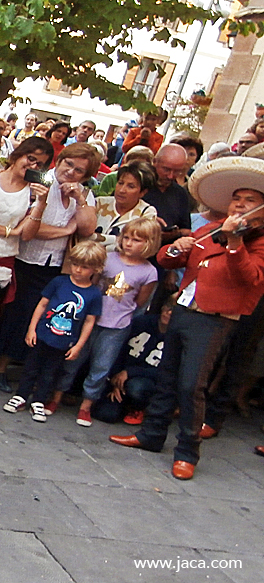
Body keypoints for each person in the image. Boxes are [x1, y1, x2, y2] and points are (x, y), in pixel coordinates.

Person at [110, 157, 264, 480]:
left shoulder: (257, 241)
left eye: (249, 200)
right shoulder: (210, 228)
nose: (240, 205)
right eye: (237, 198)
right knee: (167, 376)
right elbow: (167, 260)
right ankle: (152, 434)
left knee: (191, 383)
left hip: (215, 318)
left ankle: (187, 451)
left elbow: (250, 278)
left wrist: (235, 242)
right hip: (183, 308)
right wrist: (175, 248)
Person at [0, 137, 52, 393]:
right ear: (19, 154)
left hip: (5, 260)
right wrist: (8, 230)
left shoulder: (34, 192)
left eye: (39, 164)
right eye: (31, 158)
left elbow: (27, 234)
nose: (32, 165)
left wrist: (41, 203)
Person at [70, 218, 159, 426]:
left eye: (136, 240)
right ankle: (57, 394)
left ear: (149, 244)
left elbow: (140, 302)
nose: (128, 243)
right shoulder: (108, 258)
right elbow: (91, 284)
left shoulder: (149, 272)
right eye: (126, 237)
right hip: (90, 319)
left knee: (101, 366)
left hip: (117, 325)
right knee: (74, 357)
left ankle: (86, 405)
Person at [4, 241, 105, 422]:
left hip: (64, 341)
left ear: (96, 269)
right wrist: (32, 329)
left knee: (50, 373)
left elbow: (90, 321)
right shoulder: (59, 281)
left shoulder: (94, 294)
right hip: (43, 333)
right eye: (75, 264)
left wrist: (78, 346)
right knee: (30, 367)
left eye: (84, 267)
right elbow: (42, 304)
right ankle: (21, 395)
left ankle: (39, 401)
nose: (78, 270)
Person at [92, 305, 172, 425]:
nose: (168, 313)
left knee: (137, 388)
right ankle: (123, 405)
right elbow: (119, 349)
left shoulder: (177, 337)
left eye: (173, 312)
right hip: (120, 375)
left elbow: (167, 371)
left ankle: (140, 407)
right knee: (105, 414)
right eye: (167, 309)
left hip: (146, 380)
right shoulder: (141, 322)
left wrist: (130, 373)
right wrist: (115, 380)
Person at [92, 162, 158, 250]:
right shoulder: (99, 203)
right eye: (120, 183)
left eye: (130, 186)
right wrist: (117, 239)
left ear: (142, 192)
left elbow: (133, 245)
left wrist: (97, 238)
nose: (122, 190)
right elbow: (83, 236)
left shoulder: (147, 212)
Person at [144, 144, 193, 242]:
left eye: (177, 172)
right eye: (166, 169)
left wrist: (175, 234)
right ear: (154, 162)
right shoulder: (137, 184)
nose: (170, 176)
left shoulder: (180, 193)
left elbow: (186, 229)